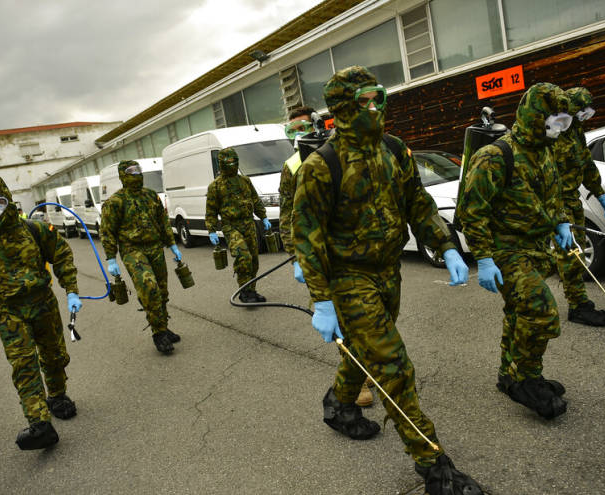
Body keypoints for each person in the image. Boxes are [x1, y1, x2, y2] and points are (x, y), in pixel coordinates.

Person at [292, 66, 479, 494]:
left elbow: (418, 201)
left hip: (388, 271)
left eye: (379, 98)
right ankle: (434, 466)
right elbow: (307, 237)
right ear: (342, 108)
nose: (374, 108)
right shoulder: (323, 165)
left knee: (362, 348)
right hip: (348, 278)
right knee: (393, 366)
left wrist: (445, 245)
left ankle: (340, 406)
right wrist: (321, 300)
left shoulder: (395, 149)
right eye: (363, 102)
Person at [456, 82, 574, 420]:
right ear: (536, 117)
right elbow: (471, 211)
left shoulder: (545, 150)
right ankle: (527, 379)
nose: (560, 129)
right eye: (556, 122)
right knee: (541, 313)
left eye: (565, 123)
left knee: (518, 313)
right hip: (505, 250)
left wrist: (561, 222)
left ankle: (509, 375)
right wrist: (483, 257)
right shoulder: (494, 156)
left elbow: (552, 194)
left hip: (536, 247)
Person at [0, 176, 82, 450]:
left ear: (8, 200)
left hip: (43, 304)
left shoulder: (33, 230)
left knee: (55, 355)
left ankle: (57, 396)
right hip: (8, 312)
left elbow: (61, 254)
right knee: (24, 366)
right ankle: (40, 424)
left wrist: (71, 289)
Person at [279, 106, 375, 408]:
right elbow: (286, 215)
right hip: (319, 252)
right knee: (344, 319)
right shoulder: (293, 165)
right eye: (292, 129)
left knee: (371, 314)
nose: (299, 134)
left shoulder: (341, 151)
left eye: (304, 126)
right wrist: (295, 256)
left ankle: (366, 368)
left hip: (355, 248)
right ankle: (358, 380)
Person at [101, 160, 182, 354]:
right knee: (149, 288)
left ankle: (163, 326)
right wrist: (111, 258)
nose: (135, 174)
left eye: (138, 170)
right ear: (122, 175)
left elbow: (162, 222)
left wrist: (172, 244)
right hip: (132, 250)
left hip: (155, 248)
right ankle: (158, 333)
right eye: (130, 171)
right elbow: (107, 232)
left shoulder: (151, 196)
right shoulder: (115, 202)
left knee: (162, 291)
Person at [552, 87, 605, 327]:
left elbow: (586, 164)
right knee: (570, 253)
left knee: (571, 251)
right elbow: (544, 177)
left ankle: (575, 302)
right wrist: (558, 216)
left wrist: (599, 193)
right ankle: (578, 307)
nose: (585, 115)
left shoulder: (576, 132)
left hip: (571, 200)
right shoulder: (553, 133)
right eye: (581, 110)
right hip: (555, 202)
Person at [205, 148, 271, 303]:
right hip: (231, 226)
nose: (232, 164)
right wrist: (211, 230)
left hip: (249, 223)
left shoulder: (245, 181)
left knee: (254, 260)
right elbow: (211, 211)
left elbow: (255, 200)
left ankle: (252, 291)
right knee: (243, 256)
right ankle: (244, 292)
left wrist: (264, 217)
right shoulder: (215, 186)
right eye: (228, 162)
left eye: (234, 161)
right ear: (221, 164)